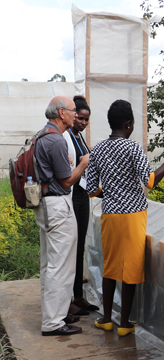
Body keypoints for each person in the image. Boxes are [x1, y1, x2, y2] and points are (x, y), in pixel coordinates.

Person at [86, 99, 164, 337]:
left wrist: (110, 192)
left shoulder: (97, 149)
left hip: (109, 213)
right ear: (129, 124)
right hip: (133, 216)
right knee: (130, 268)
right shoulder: (132, 148)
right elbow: (150, 181)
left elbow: (90, 189)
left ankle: (107, 319)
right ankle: (125, 324)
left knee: (110, 267)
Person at [34, 96, 89, 336]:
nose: (75, 115)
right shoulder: (56, 140)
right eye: (73, 111)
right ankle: (54, 322)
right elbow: (67, 181)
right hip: (58, 205)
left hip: (46, 204)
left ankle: (53, 316)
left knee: (50, 264)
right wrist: (83, 163)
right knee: (61, 266)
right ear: (60, 113)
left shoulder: (42, 135)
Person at [63, 96, 99, 316]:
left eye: (86, 120)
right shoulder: (66, 136)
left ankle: (78, 295)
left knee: (80, 248)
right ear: (72, 115)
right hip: (72, 195)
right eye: (80, 118)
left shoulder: (79, 137)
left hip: (82, 195)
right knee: (71, 248)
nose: (83, 123)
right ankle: (67, 299)